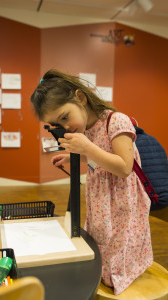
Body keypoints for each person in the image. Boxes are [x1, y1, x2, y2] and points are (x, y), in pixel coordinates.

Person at [30, 69, 153, 295]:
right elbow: (100, 156)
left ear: (81, 98)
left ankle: (120, 277)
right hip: (101, 199)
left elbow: (124, 167)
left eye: (65, 117)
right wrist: (74, 155)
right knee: (101, 238)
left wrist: (86, 147)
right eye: (56, 124)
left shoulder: (117, 121)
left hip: (122, 201)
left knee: (120, 244)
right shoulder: (87, 129)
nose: (65, 127)